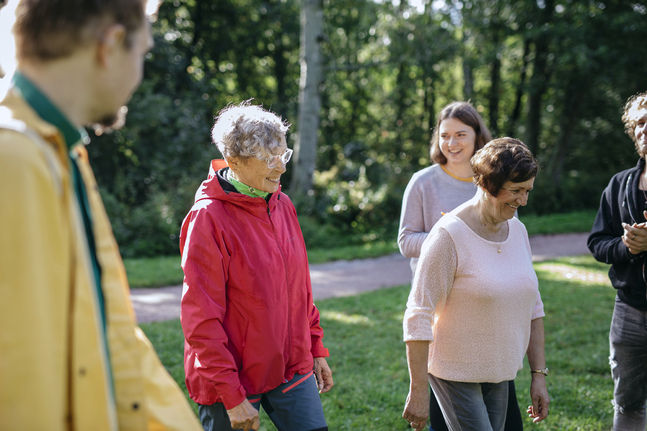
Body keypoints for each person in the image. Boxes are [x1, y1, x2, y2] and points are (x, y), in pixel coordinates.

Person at [0, 0, 202, 430]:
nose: (140, 76)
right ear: (109, 45)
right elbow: (20, 384)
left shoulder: (58, 153)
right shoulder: (13, 160)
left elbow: (107, 338)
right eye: (143, 53)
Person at [180, 101, 333, 431]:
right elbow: (200, 320)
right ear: (234, 161)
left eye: (284, 155)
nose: (280, 168)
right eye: (268, 159)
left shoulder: (283, 204)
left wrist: (315, 346)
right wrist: (231, 396)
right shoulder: (207, 218)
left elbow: (299, 289)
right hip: (231, 380)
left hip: (291, 367)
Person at [402, 138, 550, 431]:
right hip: (455, 371)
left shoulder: (518, 231)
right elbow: (418, 314)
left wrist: (538, 375)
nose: (523, 201)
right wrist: (418, 390)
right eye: (516, 191)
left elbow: (533, 306)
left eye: (528, 191)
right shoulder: (448, 235)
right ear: (487, 184)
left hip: (501, 371)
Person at [588, 90, 647, 430]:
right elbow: (597, 242)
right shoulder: (619, 185)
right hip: (628, 312)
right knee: (627, 404)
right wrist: (628, 248)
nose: (644, 130)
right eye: (638, 123)